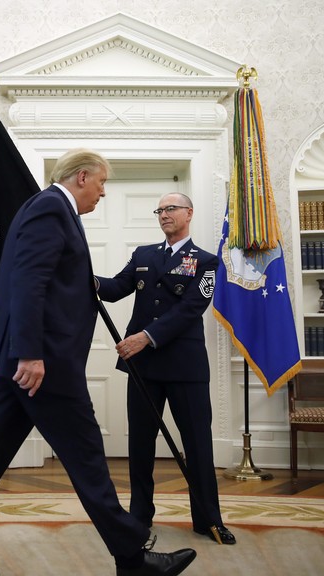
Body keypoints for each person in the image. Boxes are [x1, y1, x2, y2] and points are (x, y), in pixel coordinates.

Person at [0, 150, 196, 576]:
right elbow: (29, 281)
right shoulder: (50, 208)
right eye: (101, 183)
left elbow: (52, 280)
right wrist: (30, 352)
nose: (103, 192)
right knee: (87, 460)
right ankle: (132, 559)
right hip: (40, 364)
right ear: (81, 176)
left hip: (22, 361)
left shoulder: (51, 210)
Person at [96, 192, 235, 546]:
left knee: (197, 444)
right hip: (143, 368)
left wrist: (145, 336)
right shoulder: (144, 255)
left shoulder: (205, 262)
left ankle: (208, 518)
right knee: (140, 445)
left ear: (189, 212)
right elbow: (114, 290)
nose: (164, 214)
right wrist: (85, 272)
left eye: (171, 208)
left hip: (184, 368)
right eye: (160, 210)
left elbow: (190, 309)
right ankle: (139, 517)